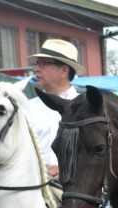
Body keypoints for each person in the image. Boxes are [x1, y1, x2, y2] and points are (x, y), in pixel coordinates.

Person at [25, 39, 85, 179]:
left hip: (78, 190)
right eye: (36, 63)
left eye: (43, 64)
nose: (36, 69)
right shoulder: (27, 108)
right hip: (36, 189)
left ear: (64, 70)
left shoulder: (85, 108)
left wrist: (67, 168)